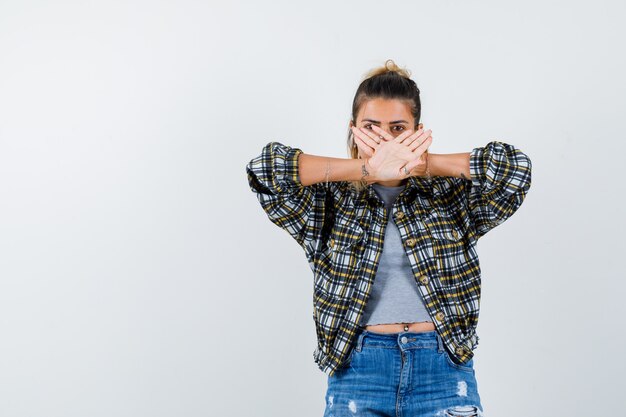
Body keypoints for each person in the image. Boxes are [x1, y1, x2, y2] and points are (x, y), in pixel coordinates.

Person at [245, 59, 532, 417]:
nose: (386, 140)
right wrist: (367, 169)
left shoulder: (449, 197)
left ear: (418, 130)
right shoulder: (329, 201)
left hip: (442, 372)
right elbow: (265, 169)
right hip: (359, 374)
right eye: (371, 127)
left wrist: (424, 164)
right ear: (353, 130)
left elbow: (515, 170)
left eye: (398, 128)